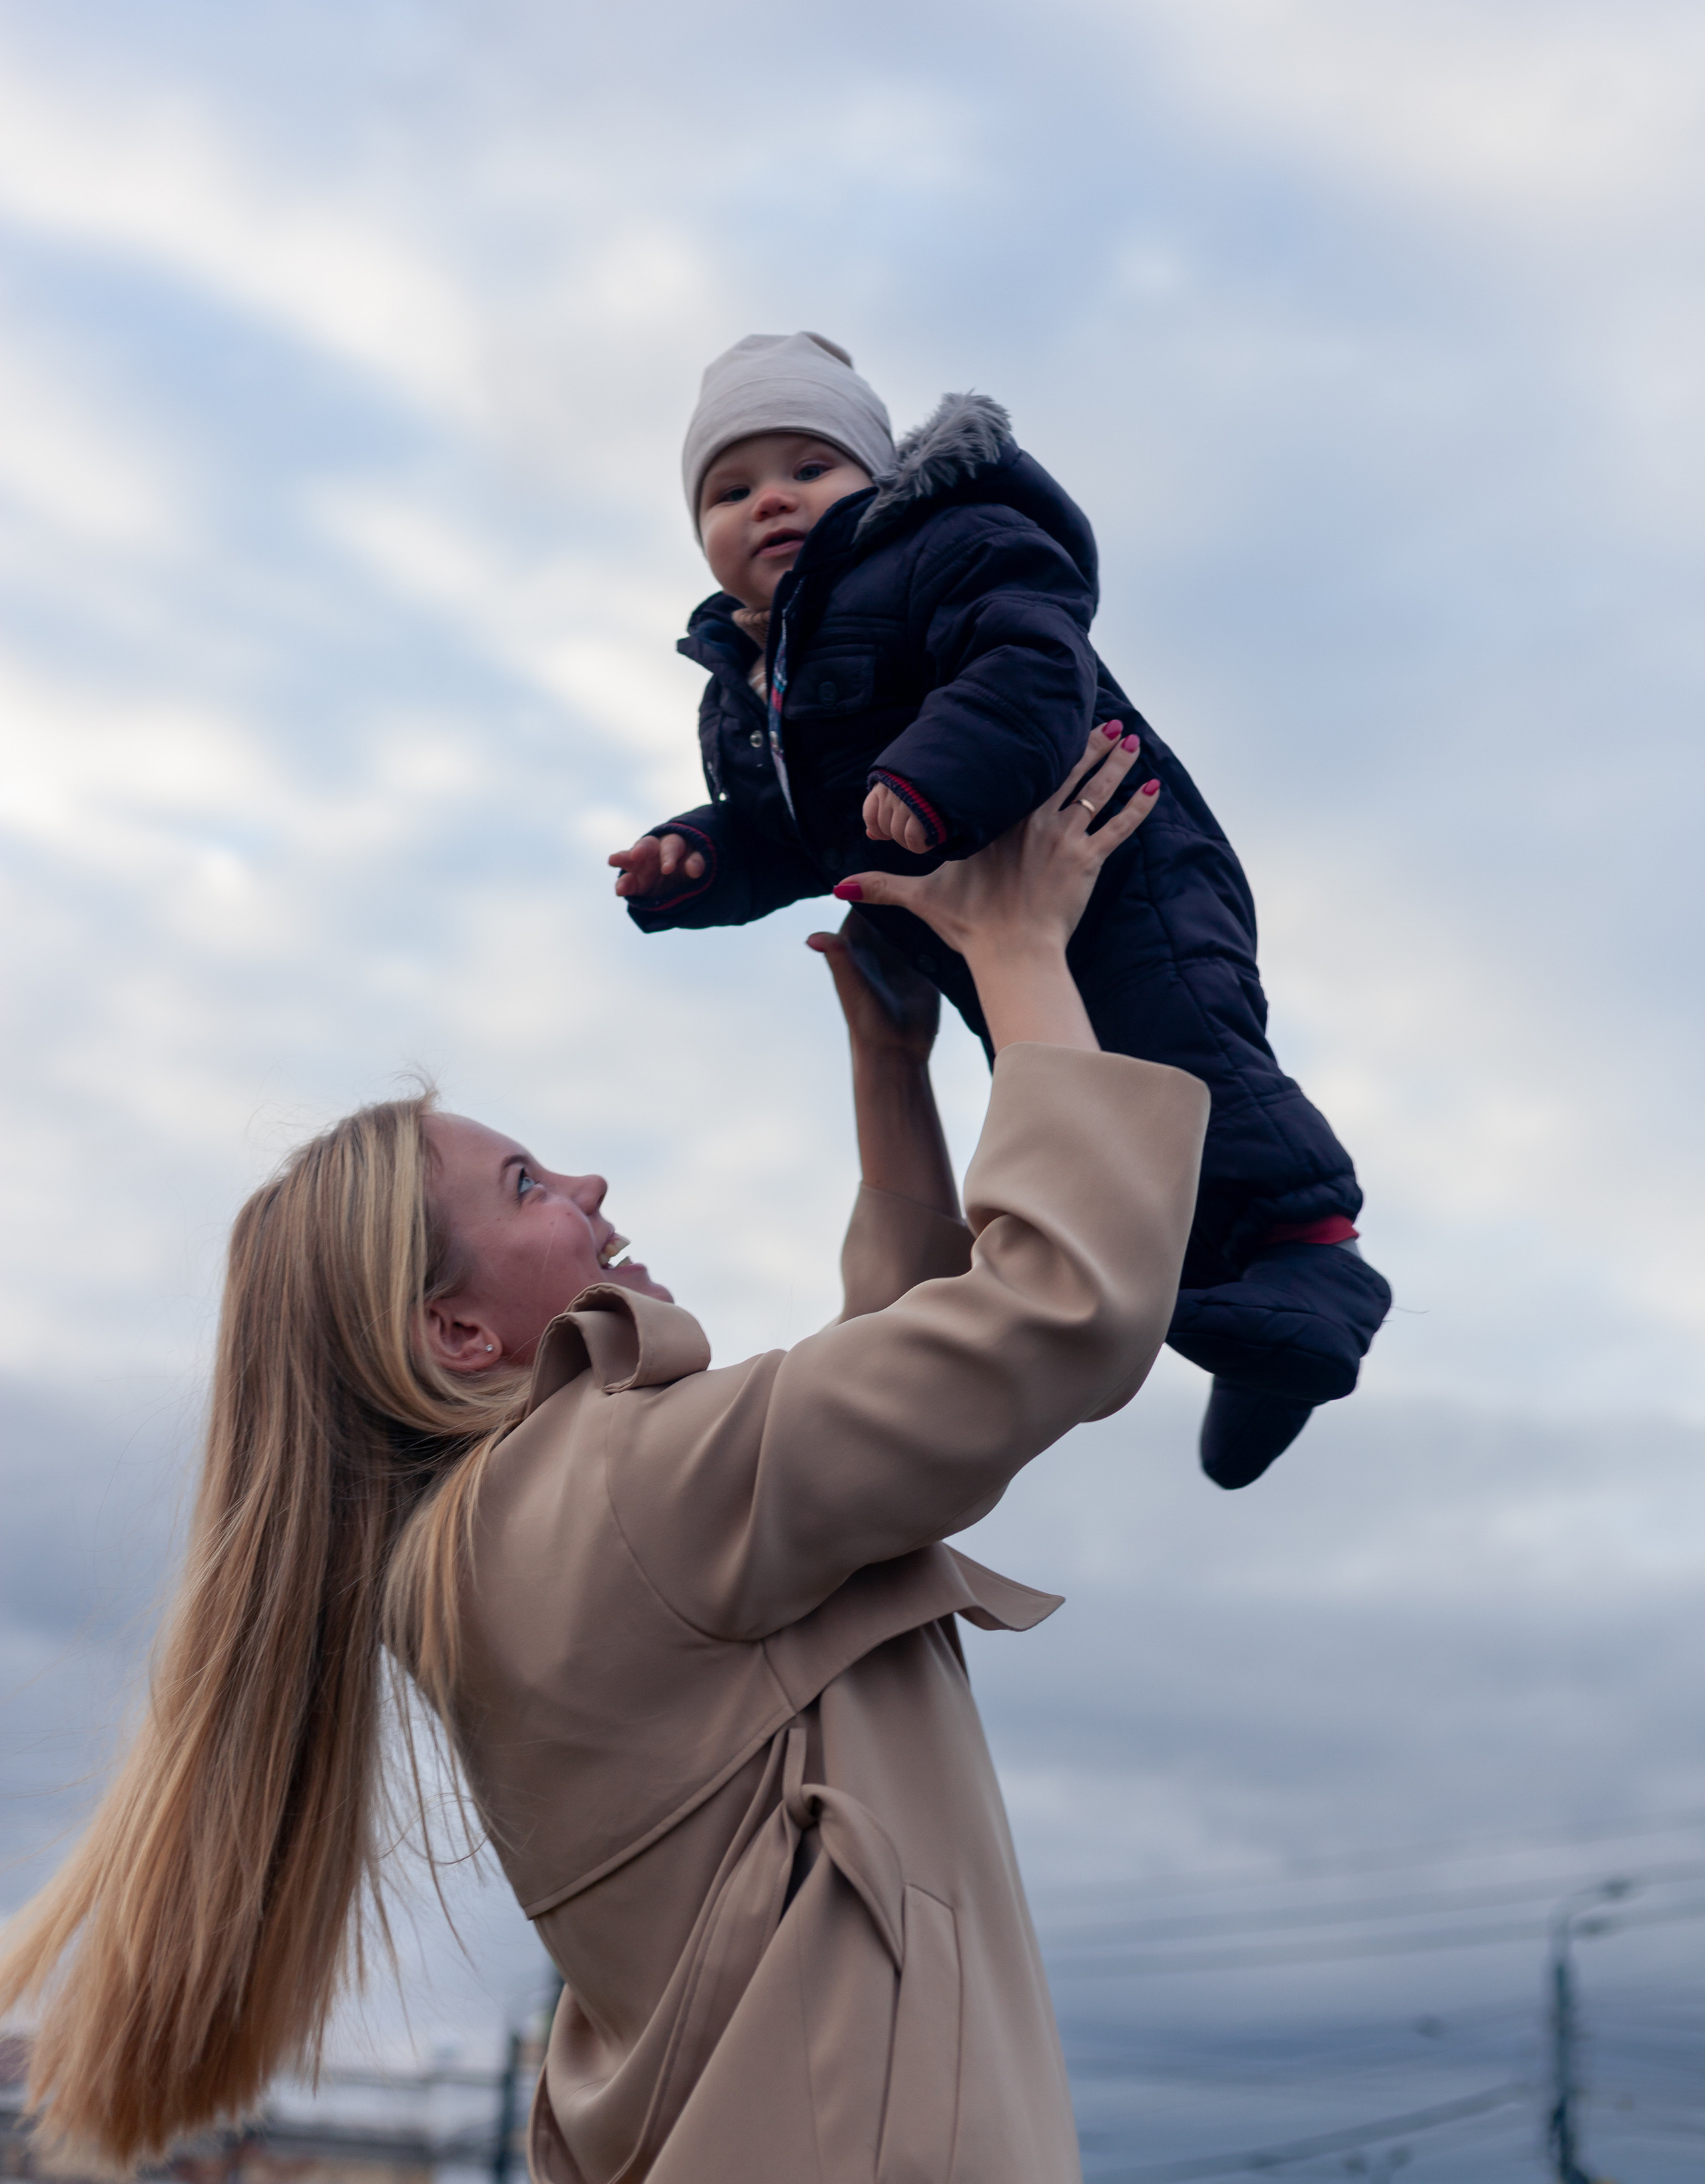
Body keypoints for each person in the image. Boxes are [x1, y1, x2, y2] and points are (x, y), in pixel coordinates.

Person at [0, 732, 1207, 2184]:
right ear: (452, 1331)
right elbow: (1048, 1317)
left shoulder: (511, 1543)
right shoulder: (617, 1494)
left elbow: (859, 1451)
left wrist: (893, 1072)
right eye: (526, 1184)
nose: (588, 1184)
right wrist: (1018, 952)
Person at [610, 330, 1391, 1489]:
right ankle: (1249, 1329)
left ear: (878, 483)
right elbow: (787, 831)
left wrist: (932, 783)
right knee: (1103, 1108)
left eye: (810, 469)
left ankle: (1311, 1257)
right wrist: (698, 858)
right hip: (991, 928)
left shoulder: (946, 549)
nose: (770, 499)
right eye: (730, 490)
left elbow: (1030, 666)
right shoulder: (747, 695)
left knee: (1186, 1052)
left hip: (1125, 861)